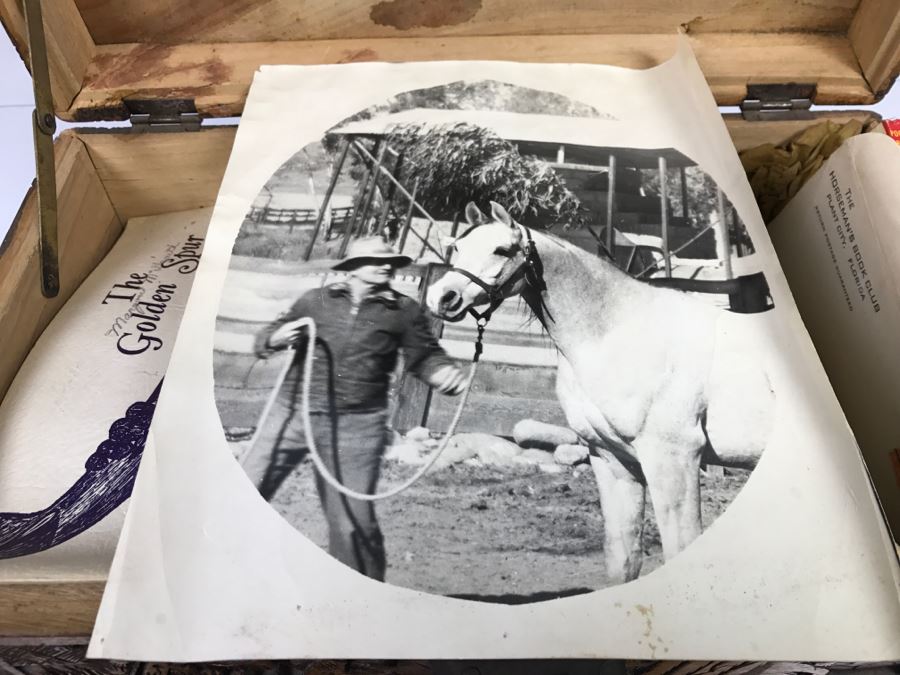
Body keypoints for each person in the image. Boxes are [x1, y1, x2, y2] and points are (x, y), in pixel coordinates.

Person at [243, 237, 466, 581]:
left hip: (357, 426)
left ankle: (359, 596)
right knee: (244, 493)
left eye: (391, 261)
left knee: (351, 522)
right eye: (375, 260)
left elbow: (424, 355)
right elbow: (267, 337)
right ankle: (213, 573)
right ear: (351, 267)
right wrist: (274, 338)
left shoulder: (404, 311)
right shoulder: (315, 301)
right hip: (291, 414)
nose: (386, 266)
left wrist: (442, 373)